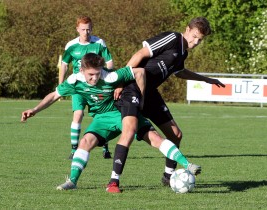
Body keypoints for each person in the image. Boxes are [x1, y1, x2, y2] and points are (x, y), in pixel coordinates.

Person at [21, 53, 201, 193]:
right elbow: (54, 95)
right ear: (82, 70)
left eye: (97, 74)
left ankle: (187, 164)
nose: (94, 78)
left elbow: (140, 72)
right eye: (91, 74)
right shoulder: (74, 81)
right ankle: (72, 181)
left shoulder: (109, 77)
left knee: (154, 138)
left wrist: (142, 97)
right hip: (101, 119)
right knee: (85, 143)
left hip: (121, 113)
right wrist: (34, 110)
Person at [111, 17, 225, 189]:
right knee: (129, 131)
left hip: (150, 93)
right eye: (194, 36)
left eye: (200, 40)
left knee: (176, 135)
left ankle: (168, 176)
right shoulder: (172, 38)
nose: (195, 42)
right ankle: (114, 181)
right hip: (133, 86)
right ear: (187, 29)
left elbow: (180, 72)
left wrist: (206, 79)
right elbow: (140, 54)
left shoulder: (183, 52)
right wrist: (121, 81)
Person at [60, 16, 115, 159]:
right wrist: (61, 84)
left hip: (97, 86)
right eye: (83, 29)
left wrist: (108, 79)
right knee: (78, 114)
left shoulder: (99, 43)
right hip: (78, 87)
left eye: (89, 29)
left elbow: (109, 62)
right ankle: (73, 150)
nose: (86, 32)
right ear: (77, 29)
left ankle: (105, 147)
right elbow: (64, 65)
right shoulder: (71, 45)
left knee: (102, 116)